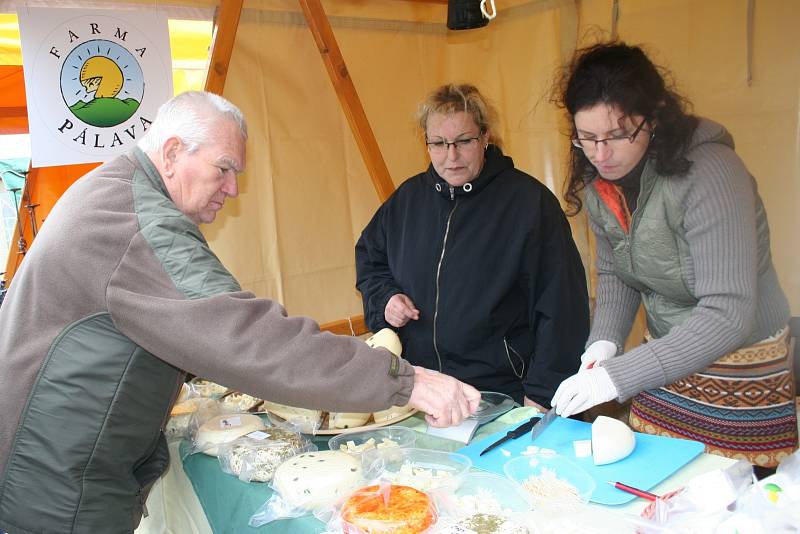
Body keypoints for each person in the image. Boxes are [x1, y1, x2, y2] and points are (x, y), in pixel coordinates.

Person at [0, 91, 480, 533]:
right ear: (171, 154)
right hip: (56, 483)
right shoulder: (137, 224)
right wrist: (405, 381)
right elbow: (244, 336)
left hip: (56, 466)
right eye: (224, 169)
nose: (232, 189)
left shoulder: (119, 193)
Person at [549, 42, 796, 467]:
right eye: (586, 138)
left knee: (728, 499)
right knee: (657, 484)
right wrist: (603, 343)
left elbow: (728, 312)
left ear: (656, 117)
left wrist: (617, 376)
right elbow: (617, 275)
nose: (601, 154)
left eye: (617, 135)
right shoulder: (600, 184)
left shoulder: (713, 172)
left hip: (738, 367)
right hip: (666, 359)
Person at [356, 83, 589, 409]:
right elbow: (370, 257)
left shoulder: (529, 204)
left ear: (485, 136)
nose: (451, 156)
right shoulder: (407, 201)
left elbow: (562, 308)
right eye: (438, 143)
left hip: (502, 396)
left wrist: (541, 393)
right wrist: (385, 298)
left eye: (463, 141)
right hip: (423, 392)